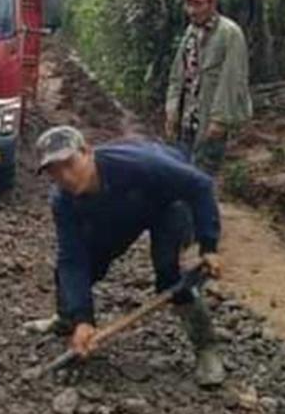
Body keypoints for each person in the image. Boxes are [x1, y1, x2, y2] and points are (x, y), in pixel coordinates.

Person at [30, 125, 226, 388]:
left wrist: (209, 246)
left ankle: (206, 348)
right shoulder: (64, 202)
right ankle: (69, 319)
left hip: (168, 204)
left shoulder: (138, 163)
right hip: (120, 210)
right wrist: (84, 319)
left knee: (169, 275)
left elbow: (199, 185)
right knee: (81, 265)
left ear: (87, 152)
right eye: (54, 171)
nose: (64, 176)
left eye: (69, 163)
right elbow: (71, 259)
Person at [165, 0, 251, 175]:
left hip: (209, 117)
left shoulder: (229, 33)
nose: (192, 10)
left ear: (212, 5)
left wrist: (220, 119)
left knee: (203, 174)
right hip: (187, 116)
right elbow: (178, 73)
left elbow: (233, 79)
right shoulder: (191, 31)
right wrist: (172, 109)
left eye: (198, 4)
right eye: (189, 3)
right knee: (183, 171)